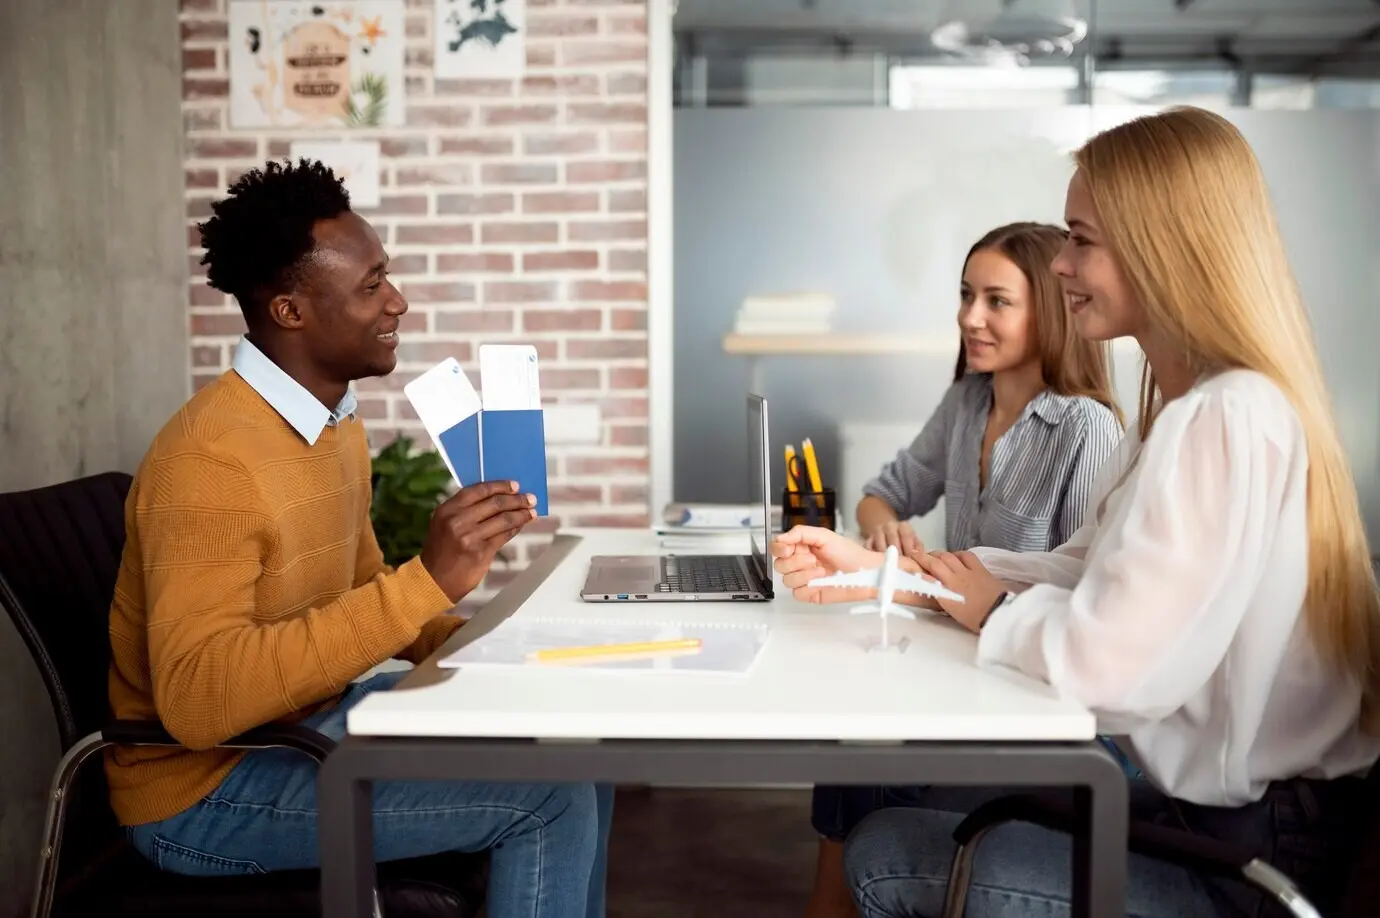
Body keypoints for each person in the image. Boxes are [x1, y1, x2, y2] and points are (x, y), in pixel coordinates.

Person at [773, 106, 1380, 918]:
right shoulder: (1188, 410)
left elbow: (1107, 666)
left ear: (1166, 244)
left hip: (1250, 860)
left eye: (1081, 238)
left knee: (887, 850)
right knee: (890, 781)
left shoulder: (1224, 416)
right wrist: (886, 575)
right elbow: (1081, 570)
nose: (1060, 263)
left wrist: (984, 606)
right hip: (1230, 820)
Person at [106, 159, 613, 917]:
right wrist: (427, 581)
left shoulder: (331, 425)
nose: (397, 302)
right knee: (547, 796)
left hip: (310, 728)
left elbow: (357, 595)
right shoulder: (209, 462)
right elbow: (198, 703)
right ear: (290, 311)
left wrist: (494, 648)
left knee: (571, 738)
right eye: (371, 285)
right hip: (205, 792)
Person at [806, 222, 1125, 918]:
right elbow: (883, 491)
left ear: (1050, 307)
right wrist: (882, 526)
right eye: (964, 295)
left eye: (995, 301)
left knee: (867, 761)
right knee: (851, 741)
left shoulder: (1086, 430)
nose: (968, 317)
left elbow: (1082, 593)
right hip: (953, 663)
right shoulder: (966, 402)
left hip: (1019, 696)